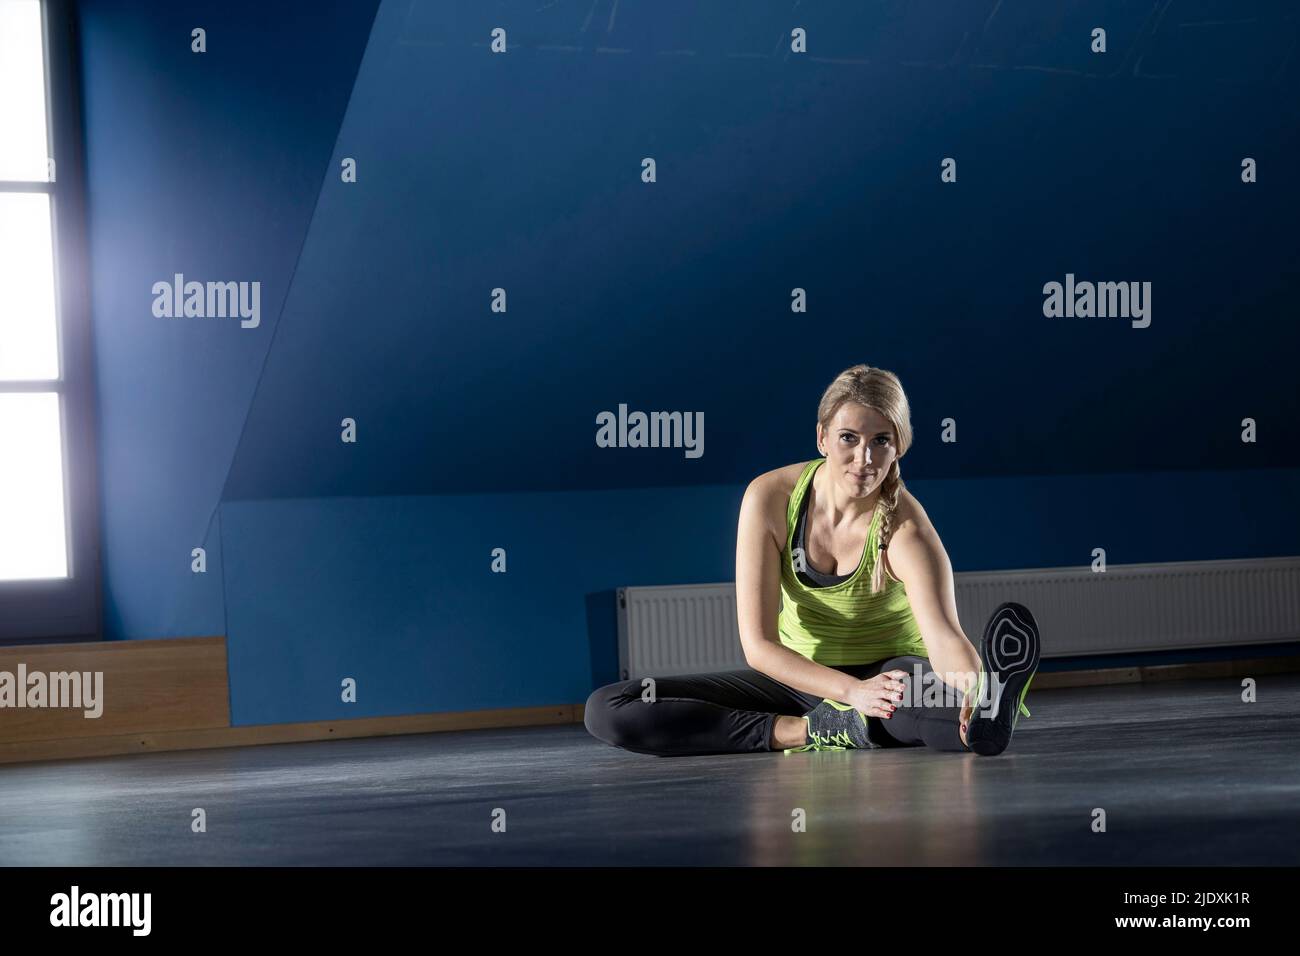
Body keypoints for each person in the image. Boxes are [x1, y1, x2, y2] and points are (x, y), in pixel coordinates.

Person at [584, 363, 1040, 757]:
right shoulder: (770, 498)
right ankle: (809, 731)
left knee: (934, 707)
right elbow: (759, 646)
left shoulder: (907, 531)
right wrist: (848, 693)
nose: (864, 458)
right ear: (822, 437)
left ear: (898, 447)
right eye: (849, 438)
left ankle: (985, 709)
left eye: (881, 441)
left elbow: (943, 636)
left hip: (891, 677)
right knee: (610, 708)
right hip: (799, 682)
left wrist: (971, 687)